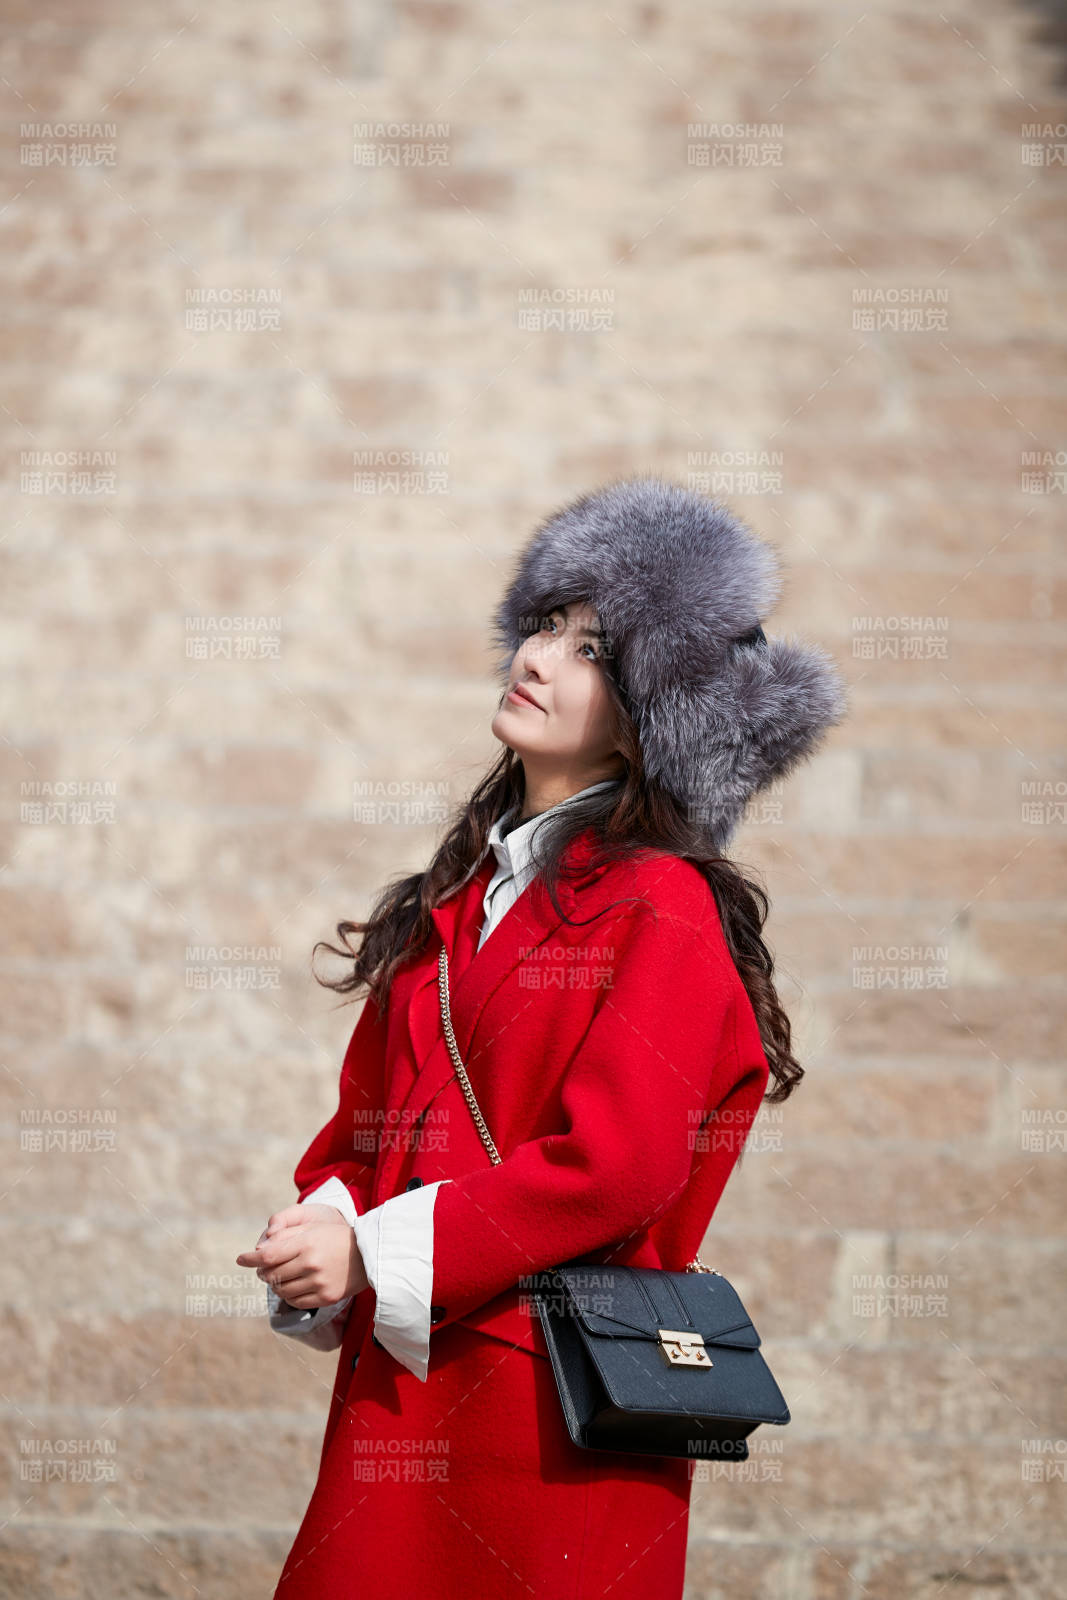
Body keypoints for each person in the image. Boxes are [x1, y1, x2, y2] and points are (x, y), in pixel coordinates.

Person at [236, 475, 848, 1598]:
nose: (539, 655)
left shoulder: (659, 903)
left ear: (651, 711)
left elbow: (618, 1167)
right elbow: (360, 1130)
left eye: (592, 650)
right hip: (400, 1389)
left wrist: (372, 1251)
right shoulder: (456, 898)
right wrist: (320, 1224)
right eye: (545, 624)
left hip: (550, 1418)